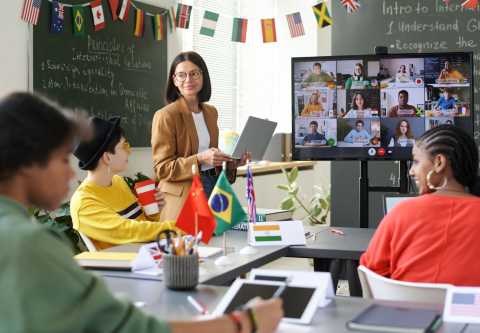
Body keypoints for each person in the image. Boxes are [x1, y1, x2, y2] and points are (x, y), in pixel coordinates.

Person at [0, 92, 283, 332]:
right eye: (62, 158)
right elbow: (129, 327)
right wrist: (246, 322)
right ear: (28, 162)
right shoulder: (26, 243)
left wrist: (156, 214)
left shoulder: (19, 233)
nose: (69, 170)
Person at [361, 125, 480, 286]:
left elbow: (371, 275)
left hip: (405, 310)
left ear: (439, 163)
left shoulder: (401, 213)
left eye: (416, 161)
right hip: (466, 311)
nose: (411, 171)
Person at [152, 51, 247, 221]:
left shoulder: (211, 112)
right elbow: (162, 168)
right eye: (181, 75)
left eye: (194, 73)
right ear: (174, 80)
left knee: (221, 243)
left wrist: (231, 163)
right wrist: (201, 158)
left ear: (203, 77)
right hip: (184, 195)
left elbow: (211, 160)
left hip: (213, 188)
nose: (188, 80)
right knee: (195, 246)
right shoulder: (166, 115)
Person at [71, 116, 178, 250]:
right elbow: (130, 231)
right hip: (126, 266)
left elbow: (141, 227)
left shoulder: (117, 182)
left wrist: (152, 212)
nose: (129, 151)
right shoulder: (83, 203)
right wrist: (179, 228)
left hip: (150, 255)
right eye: (123, 146)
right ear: (107, 157)